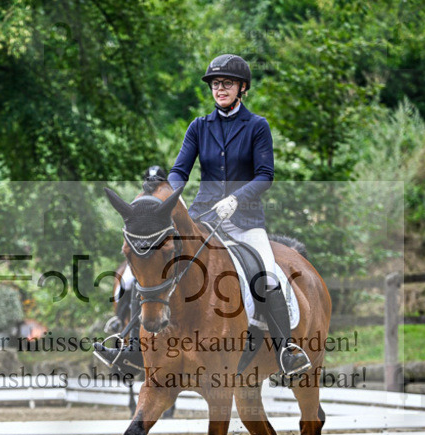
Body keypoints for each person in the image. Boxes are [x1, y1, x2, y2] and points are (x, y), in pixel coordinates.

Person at [95, 54, 310, 376]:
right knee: (158, 266)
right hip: (203, 215)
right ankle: (133, 348)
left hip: (245, 219)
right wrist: (163, 200)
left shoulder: (257, 126)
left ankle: (286, 351)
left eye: (227, 84)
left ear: (242, 88)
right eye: (215, 84)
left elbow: (265, 175)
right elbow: (180, 171)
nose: (220, 89)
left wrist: (236, 199)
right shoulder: (199, 126)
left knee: (267, 275)